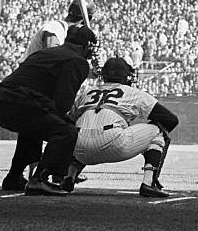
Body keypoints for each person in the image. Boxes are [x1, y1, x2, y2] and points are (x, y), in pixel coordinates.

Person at [0, 25, 97, 196]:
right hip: (19, 100)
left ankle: (14, 176)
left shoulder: (46, 53)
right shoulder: (77, 61)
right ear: (86, 46)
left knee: (33, 127)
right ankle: (40, 179)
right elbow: (62, 103)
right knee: (66, 133)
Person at [62, 57, 179, 198]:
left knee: (79, 132)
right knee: (158, 130)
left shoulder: (87, 92)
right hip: (113, 142)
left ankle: (69, 176)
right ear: (126, 76)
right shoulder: (132, 92)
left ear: (103, 75)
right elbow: (171, 120)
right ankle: (149, 183)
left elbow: (67, 122)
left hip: (79, 149)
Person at [18, 0, 95, 63]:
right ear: (84, 21)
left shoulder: (68, 35)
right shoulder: (56, 27)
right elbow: (51, 56)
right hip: (27, 77)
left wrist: (94, 69)